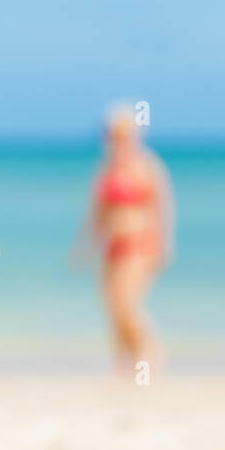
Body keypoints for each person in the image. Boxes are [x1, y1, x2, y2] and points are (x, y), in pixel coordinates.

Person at [77, 105, 174, 371]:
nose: (115, 140)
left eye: (120, 134)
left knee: (125, 303)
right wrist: (86, 245)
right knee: (111, 306)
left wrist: (163, 245)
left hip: (140, 244)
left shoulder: (146, 166)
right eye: (111, 134)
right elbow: (97, 212)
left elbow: (161, 207)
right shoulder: (107, 170)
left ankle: (150, 352)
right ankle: (125, 361)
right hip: (113, 245)